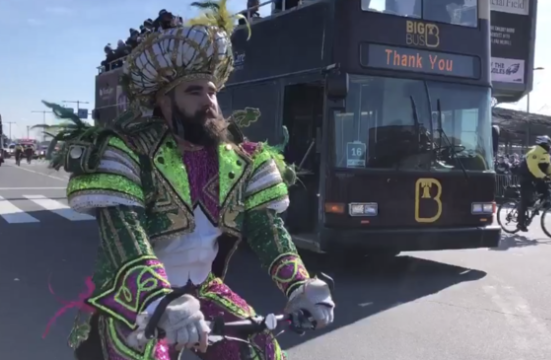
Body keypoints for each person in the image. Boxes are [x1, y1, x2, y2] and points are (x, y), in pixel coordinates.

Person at [41, 2, 335, 359]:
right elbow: (125, 238)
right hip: (137, 298)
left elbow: (268, 231)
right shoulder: (127, 153)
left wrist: (299, 285)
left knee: (260, 350)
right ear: (163, 103)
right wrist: (160, 301)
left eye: (212, 91)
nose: (209, 102)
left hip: (202, 290)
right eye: (194, 92)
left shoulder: (242, 159)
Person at [517, 135, 551, 232]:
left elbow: (549, 168)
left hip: (537, 177)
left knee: (545, 191)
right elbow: (533, 168)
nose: (550, 146)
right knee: (525, 199)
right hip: (526, 177)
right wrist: (544, 176)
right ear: (544, 144)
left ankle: (536, 206)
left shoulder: (545, 154)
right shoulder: (534, 152)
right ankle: (521, 222)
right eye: (549, 144)